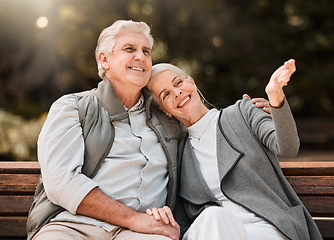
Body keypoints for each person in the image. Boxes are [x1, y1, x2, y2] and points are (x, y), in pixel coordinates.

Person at [26, 20, 182, 240]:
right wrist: (132, 218)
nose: (141, 57)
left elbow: (207, 131)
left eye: (146, 51)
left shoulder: (167, 116)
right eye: (130, 49)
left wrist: (247, 113)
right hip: (71, 225)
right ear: (104, 59)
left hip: (138, 233)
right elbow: (61, 182)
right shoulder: (72, 107)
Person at [146, 60, 323, 240]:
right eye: (166, 94)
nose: (177, 93)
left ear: (191, 82)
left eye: (178, 83)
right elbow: (182, 220)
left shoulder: (242, 113)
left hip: (265, 229)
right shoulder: (179, 155)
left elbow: (288, 147)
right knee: (213, 217)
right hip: (211, 231)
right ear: (165, 111)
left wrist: (275, 95)